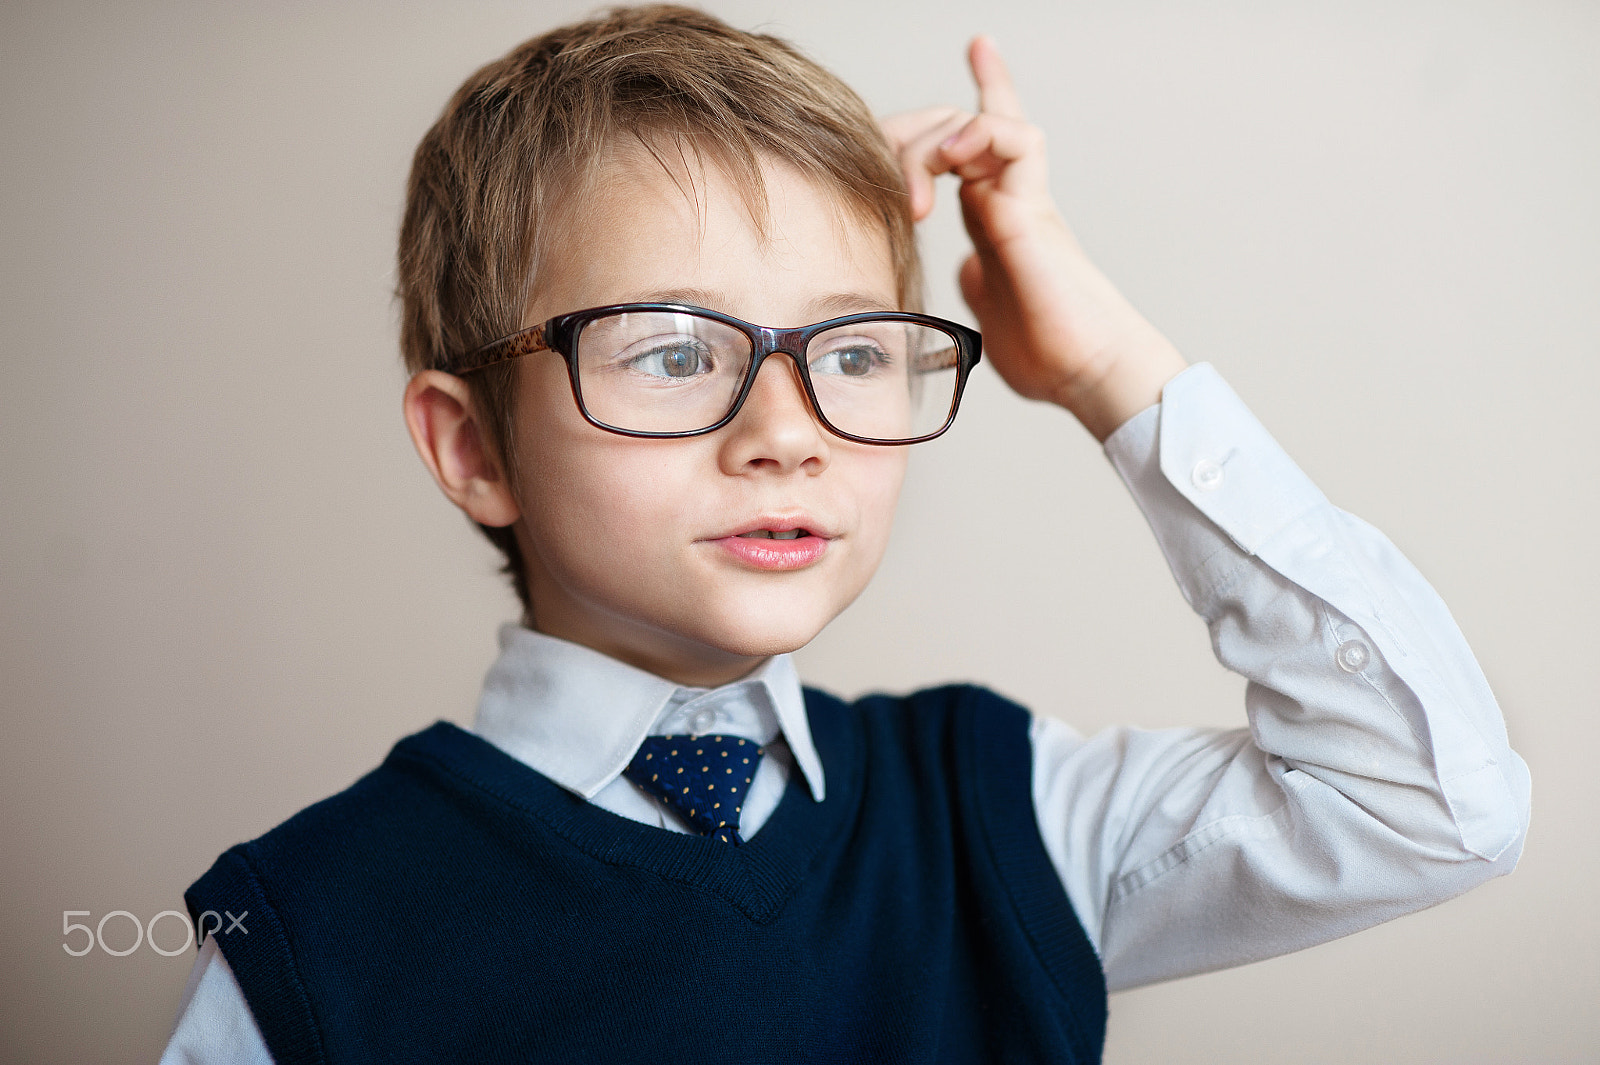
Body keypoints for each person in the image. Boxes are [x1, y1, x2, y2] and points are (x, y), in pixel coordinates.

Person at [159, 6, 1530, 1062]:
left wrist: (1110, 363)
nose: (789, 428)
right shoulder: (311, 928)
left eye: (856, 351)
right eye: (674, 348)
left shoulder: (1003, 814)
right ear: (473, 448)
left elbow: (1432, 805)